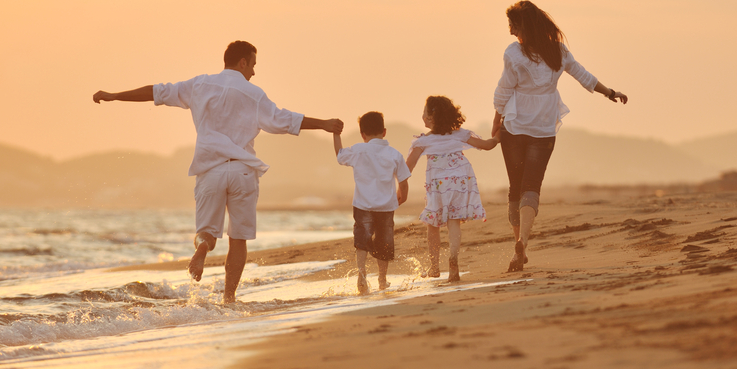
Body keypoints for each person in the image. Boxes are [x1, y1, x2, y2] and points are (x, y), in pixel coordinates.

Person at [92, 40, 343, 303]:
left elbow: (156, 92)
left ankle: (203, 248)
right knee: (238, 239)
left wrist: (115, 95)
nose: (254, 72)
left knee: (207, 232)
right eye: (253, 65)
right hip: (243, 171)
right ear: (242, 62)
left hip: (210, 171)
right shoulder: (254, 94)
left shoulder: (199, 85)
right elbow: (284, 120)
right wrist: (324, 124)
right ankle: (229, 298)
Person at [492, 0, 628, 272]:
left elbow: (503, 91)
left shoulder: (513, 54)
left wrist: (496, 123)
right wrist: (610, 92)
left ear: (523, 27)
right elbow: (584, 77)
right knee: (532, 186)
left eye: (513, 25)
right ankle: (525, 244)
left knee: (515, 187)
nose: (510, 32)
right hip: (543, 127)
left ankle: (516, 243)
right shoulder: (559, 52)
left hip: (516, 125)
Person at [405, 96, 498, 282]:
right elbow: (487, 145)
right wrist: (499, 135)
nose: (422, 117)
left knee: (433, 223)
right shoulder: (459, 134)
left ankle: (434, 267)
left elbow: (407, 168)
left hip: (439, 184)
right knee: (453, 220)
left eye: (424, 113)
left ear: (432, 117)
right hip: (460, 180)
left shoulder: (422, 142)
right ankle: (453, 259)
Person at [334, 111, 411, 295]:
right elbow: (403, 181)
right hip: (386, 207)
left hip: (362, 205)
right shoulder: (394, 154)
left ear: (362, 134)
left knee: (362, 241)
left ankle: (361, 275)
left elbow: (339, 155)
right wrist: (402, 197)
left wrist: (336, 133)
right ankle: (382, 280)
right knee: (384, 243)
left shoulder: (358, 150)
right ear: (384, 132)